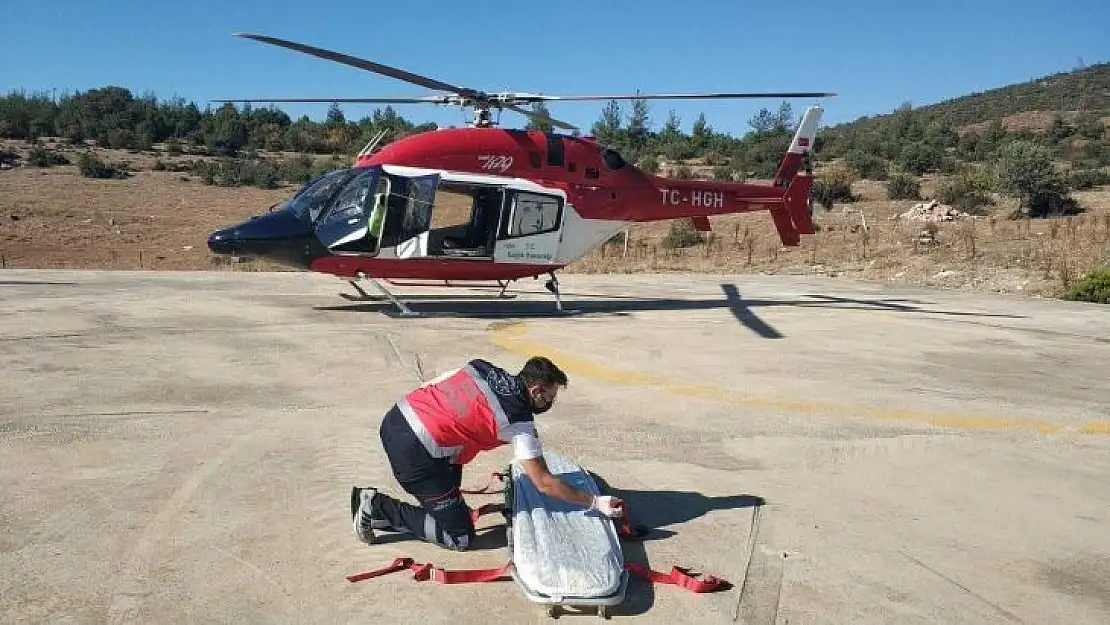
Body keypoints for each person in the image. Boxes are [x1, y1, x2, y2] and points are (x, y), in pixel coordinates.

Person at [351, 356, 624, 551]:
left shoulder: (481, 367)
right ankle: (375, 506)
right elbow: (544, 483)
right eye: (549, 398)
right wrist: (594, 503)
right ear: (536, 390)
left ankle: (437, 505)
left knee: (451, 488)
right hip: (415, 453)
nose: (549, 403)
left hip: (396, 418)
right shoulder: (519, 423)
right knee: (459, 537)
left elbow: (435, 387)